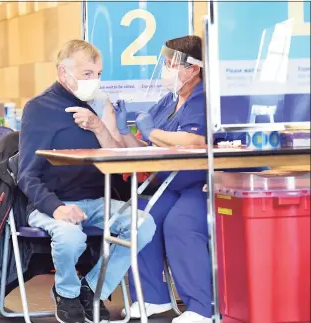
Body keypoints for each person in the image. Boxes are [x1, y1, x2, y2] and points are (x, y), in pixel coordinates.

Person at [67, 35, 212, 323]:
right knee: (140, 217)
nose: (166, 69)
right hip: (169, 184)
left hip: (202, 184)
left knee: (180, 223)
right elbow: (144, 148)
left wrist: (151, 132)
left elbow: (195, 139)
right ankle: (152, 298)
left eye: (172, 64)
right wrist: (124, 132)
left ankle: (202, 308)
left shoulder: (202, 98)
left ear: (193, 68)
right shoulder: (169, 100)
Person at [17, 39, 156, 323]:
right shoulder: (39, 108)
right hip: (52, 202)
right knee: (70, 236)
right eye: (87, 75)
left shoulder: (98, 105)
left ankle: (92, 288)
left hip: (96, 200)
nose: (95, 81)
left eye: (99, 74)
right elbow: (26, 174)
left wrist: (99, 126)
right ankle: (67, 293)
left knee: (144, 225)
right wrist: (56, 208)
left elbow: (119, 163)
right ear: (63, 74)